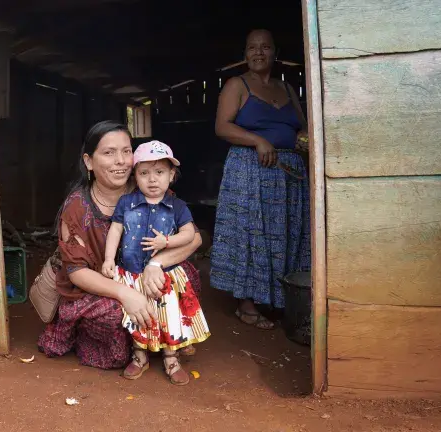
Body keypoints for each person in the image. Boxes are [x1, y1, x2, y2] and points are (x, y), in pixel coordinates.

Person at [37, 121, 202, 369]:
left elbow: (194, 238)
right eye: (109, 152)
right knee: (115, 316)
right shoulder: (77, 207)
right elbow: (76, 272)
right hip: (99, 285)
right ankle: (111, 337)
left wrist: (156, 264)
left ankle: (157, 336)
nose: (121, 161)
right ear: (89, 162)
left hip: (143, 274)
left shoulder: (150, 185)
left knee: (185, 276)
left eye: (126, 151)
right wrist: (126, 294)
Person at [211, 29, 311, 329]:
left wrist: (303, 142)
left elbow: (303, 129)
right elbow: (222, 127)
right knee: (253, 233)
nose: (258, 52)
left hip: (288, 175)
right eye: (252, 47)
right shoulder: (236, 85)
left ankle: (279, 297)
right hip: (251, 171)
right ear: (245, 54)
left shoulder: (288, 89)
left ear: (274, 52)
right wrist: (257, 140)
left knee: (285, 233)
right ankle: (247, 303)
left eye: (265, 47)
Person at [102, 141, 210, 385]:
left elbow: (190, 235)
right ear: (135, 176)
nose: (152, 180)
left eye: (159, 172)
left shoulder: (177, 206)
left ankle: (171, 358)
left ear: (171, 176)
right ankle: (140, 355)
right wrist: (109, 259)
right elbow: (116, 230)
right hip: (131, 273)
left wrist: (167, 241)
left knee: (168, 314)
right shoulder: (126, 203)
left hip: (166, 275)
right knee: (137, 316)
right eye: (144, 173)